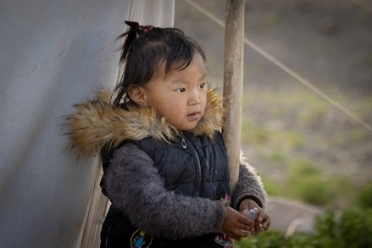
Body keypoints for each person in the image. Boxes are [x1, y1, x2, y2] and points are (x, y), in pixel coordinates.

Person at [65, 21, 270, 248]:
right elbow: (152, 208)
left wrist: (249, 199)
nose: (196, 98)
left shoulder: (208, 133)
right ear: (140, 95)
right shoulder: (132, 149)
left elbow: (237, 170)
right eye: (181, 89)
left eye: (201, 85)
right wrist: (218, 218)